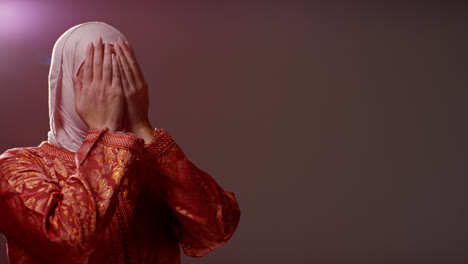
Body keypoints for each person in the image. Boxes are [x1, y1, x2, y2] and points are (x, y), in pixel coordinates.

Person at [0, 22, 240, 264]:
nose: (111, 91)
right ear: (66, 84)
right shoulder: (16, 168)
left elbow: (216, 229)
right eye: (97, 76)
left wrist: (143, 129)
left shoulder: (147, 163)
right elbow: (70, 241)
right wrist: (103, 134)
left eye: (122, 74)